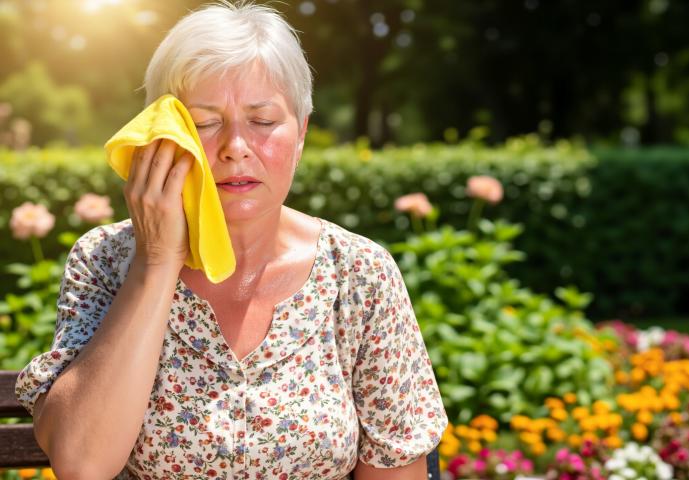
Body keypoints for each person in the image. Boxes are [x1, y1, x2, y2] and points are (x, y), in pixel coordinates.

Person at [15, 2, 447, 478]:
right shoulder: (103, 259)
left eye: (262, 122)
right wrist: (156, 262)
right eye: (203, 123)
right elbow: (81, 463)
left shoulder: (360, 272)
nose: (235, 148)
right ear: (163, 136)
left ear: (301, 134)